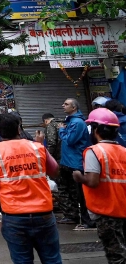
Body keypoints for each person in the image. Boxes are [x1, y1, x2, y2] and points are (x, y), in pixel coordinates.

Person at [0, 112, 62, 264]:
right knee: (52, 259)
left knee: (22, 261)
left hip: (14, 216)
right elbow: (55, 171)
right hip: (44, 214)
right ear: (19, 129)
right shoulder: (38, 148)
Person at [74, 107, 126, 264]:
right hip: (123, 208)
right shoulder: (123, 150)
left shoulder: (94, 151)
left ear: (95, 129)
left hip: (107, 211)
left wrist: (79, 177)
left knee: (115, 254)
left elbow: (93, 181)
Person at [58, 98, 96, 229]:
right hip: (69, 162)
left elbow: (70, 140)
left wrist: (61, 130)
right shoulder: (71, 122)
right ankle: (75, 216)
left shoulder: (77, 123)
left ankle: (88, 221)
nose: (63, 105)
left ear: (74, 108)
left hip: (76, 163)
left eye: (66, 104)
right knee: (71, 191)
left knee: (81, 193)